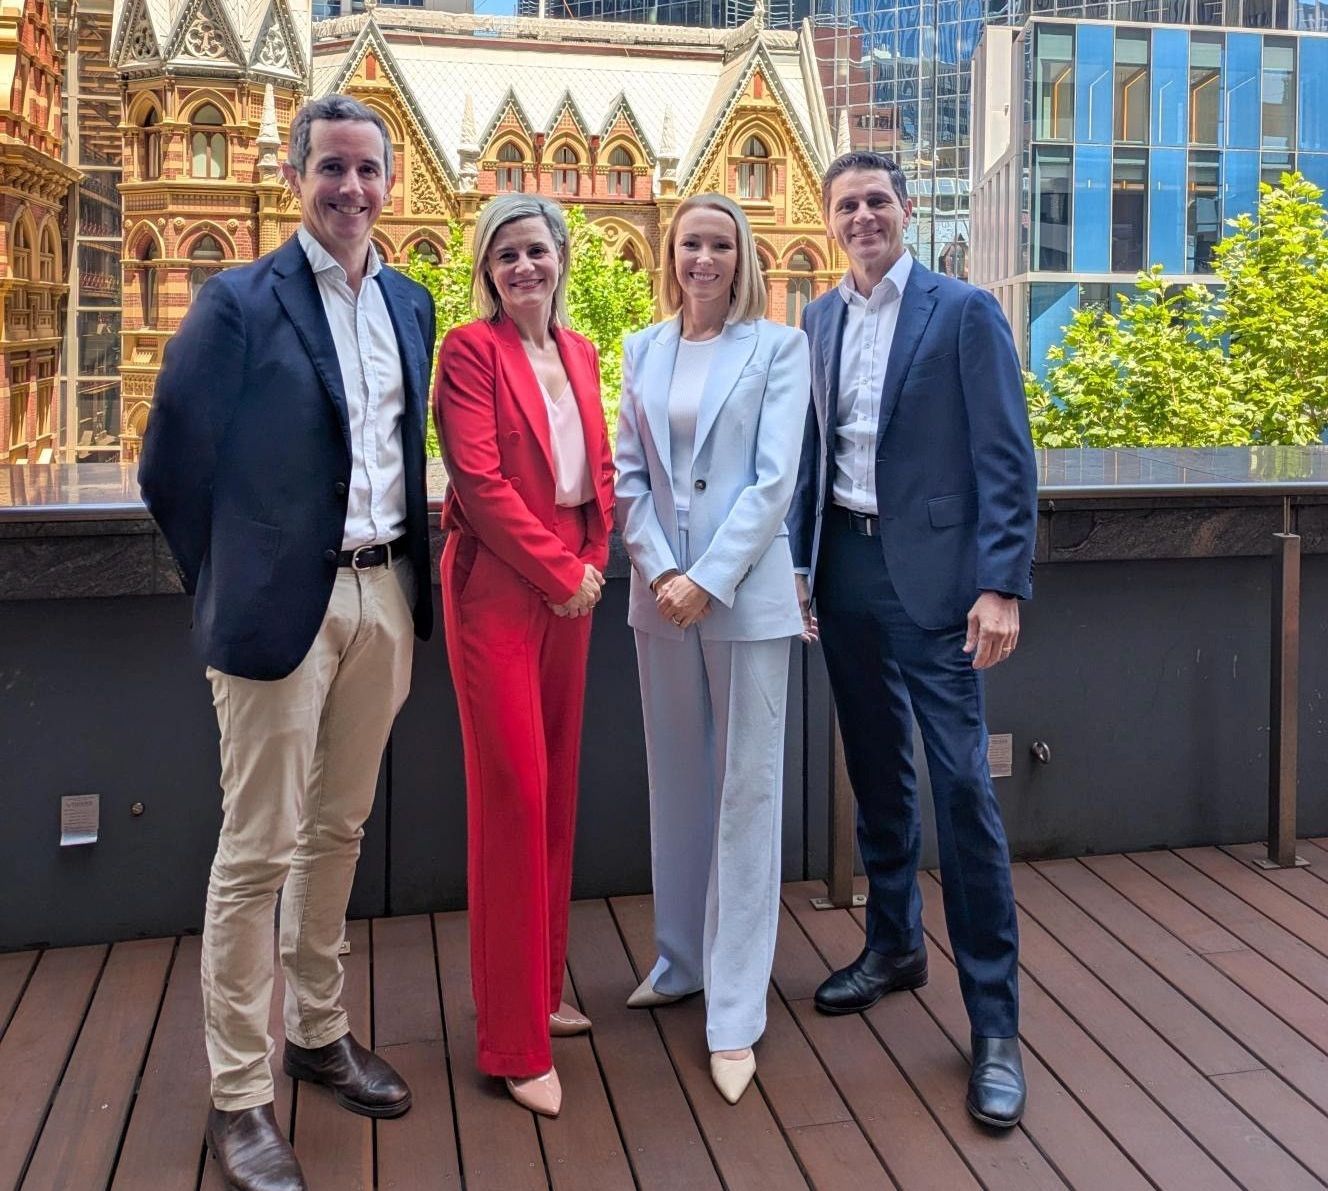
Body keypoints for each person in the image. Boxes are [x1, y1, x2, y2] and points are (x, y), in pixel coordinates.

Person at [138, 95, 436, 1191]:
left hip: (383, 597)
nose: (350, 189)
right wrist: (230, 578)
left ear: (388, 183)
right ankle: (237, 1095)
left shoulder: (408, 301)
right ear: (298, 178)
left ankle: (318, 1033)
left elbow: (401, 449)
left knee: (339, 831)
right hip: (278, 613)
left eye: (368, 171)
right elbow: (170, 457)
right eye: (332, 170)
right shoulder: (239, 301)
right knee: (256, 850)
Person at [788, 151, 1038, 1128]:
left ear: (906, 209)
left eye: (876, 201)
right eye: (845, 204)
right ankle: (893, 945)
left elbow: (1004, 459)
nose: (861, 216)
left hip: (935, 584)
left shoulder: (962, 312)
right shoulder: (813, 317)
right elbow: (812, 448)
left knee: (963, 790)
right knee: (875, 771)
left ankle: (993, 1025)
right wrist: (799, 566)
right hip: (842, 568)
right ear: (829, 217)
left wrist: (999, 586)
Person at [615, 193, 810, 1105]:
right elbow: (626, 480)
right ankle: (681, 960)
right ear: (673, 253)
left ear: (742, 257)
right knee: (677, 785)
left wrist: (709, 577)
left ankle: (735, 1010)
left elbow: (775, 482)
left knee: (747, 794)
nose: (704, 258)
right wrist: (662, 570)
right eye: (691, 242)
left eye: (720, 244)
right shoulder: (641, 349)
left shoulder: (779, 348)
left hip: (744, 598)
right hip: (662, 600)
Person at [434, 194, 615, 1119]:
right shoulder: (470, 351)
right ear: (487, 269)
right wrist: (558, 571)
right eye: (505, 256)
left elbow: (599, 472)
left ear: (561, 258)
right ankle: (511, 1041)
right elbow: (479, 480)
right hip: (501, 590)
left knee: (557, 792)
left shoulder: (579, 351)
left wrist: (591, 562)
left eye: (536, 251)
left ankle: (543, 989)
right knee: (512, 796)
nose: (523, 268)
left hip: (570, 584)